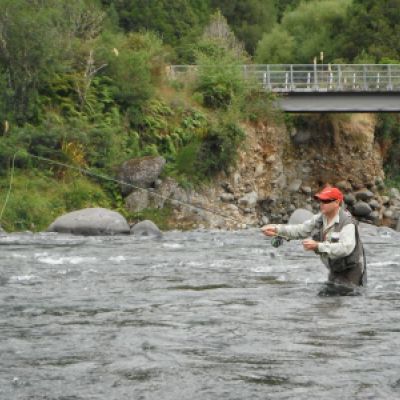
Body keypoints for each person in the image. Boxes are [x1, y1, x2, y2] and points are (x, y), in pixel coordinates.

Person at [261, 187, 366, 287]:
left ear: (337, 202)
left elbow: (345, 248)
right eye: (321, 201)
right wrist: (277, 229)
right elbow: (301, 230)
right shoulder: (319, 218)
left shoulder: (348, 223)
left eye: (326, 201)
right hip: (334, 269)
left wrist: (317, 246)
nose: (322, 204)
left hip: (351, 272)